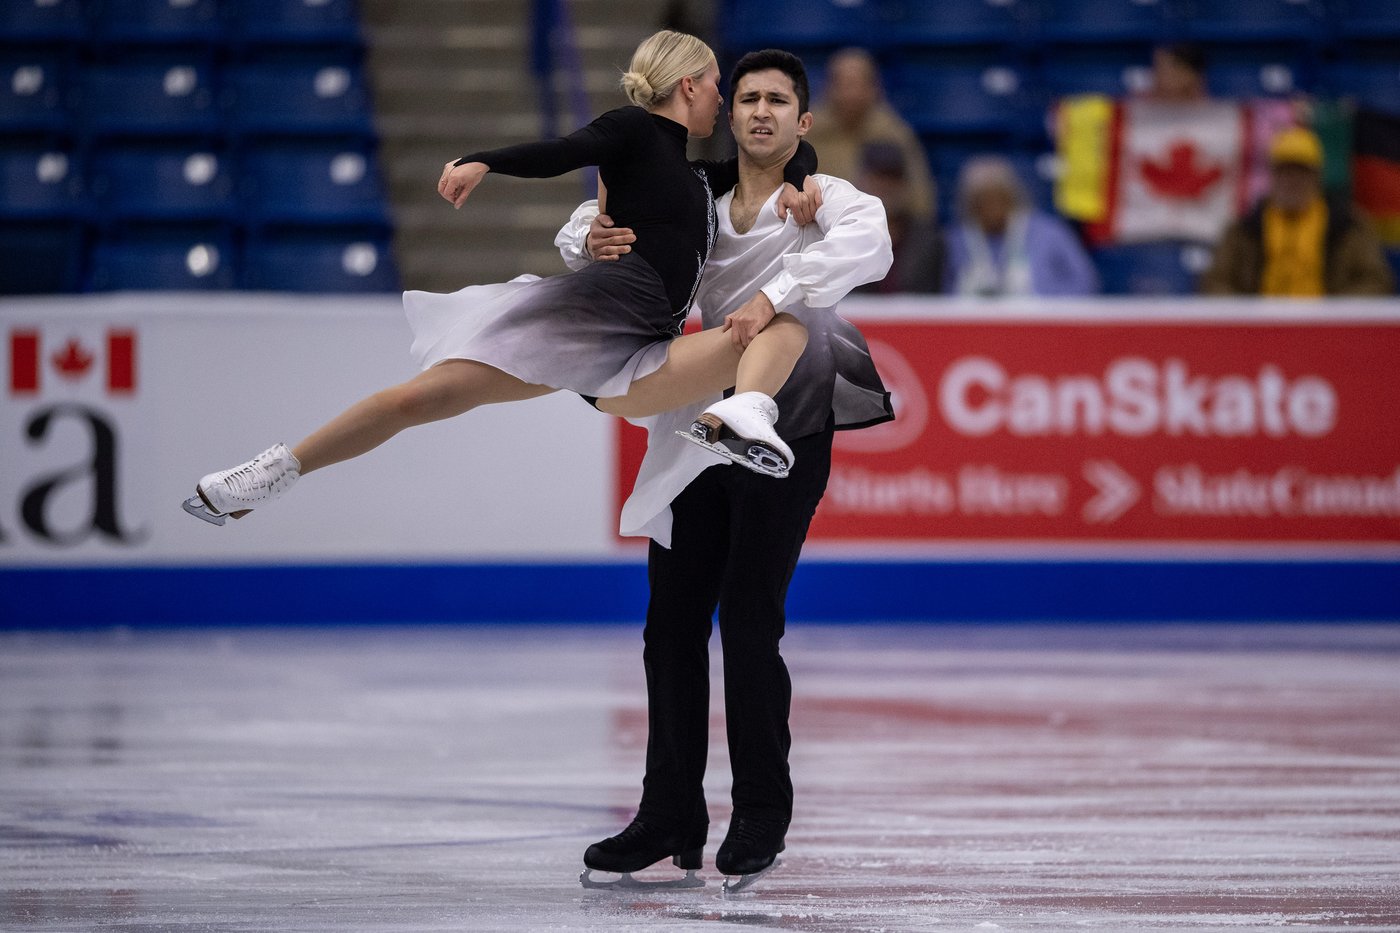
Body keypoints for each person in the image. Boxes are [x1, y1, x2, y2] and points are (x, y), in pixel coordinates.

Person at [181, 31, 823, 526]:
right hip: (586, 321)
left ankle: (739, 419)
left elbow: (791, 150)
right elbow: (562, 152)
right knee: (420, 400)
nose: (723, 98)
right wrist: (482, 160)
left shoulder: (697, 177)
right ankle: (274, 471)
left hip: (642, 354)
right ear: (688, 84)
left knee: (778, 328)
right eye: (717, 84)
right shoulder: (632, 131)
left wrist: (800, 180)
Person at [558, 48, 893, 891]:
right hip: (695, 424)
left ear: (804, 122)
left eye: (780, 101)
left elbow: (874, 242)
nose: (762, 112)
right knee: (669, 623)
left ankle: (759, 815)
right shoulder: (695, 197)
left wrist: (777, 294)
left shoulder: (824, 201)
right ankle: (669, 811)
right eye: (747, 98)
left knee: (749, 619)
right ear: (729, 112)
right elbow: (590, 229)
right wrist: (587, 236)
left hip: (792, 423)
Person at [1200, 126, 1394, 296]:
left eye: (1301, 171)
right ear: (1272, 175)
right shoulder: (1244, 228)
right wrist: (1249, 313)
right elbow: (1216, 282)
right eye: (1285, 171)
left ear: (1317, 176)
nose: (1292, 180)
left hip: (1327, 330)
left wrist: (1334, 312)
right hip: (1260, 329)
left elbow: (1376, 281)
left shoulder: (1349, 226)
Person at [803, 47, 936, 224]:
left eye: (859, 84)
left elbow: (921, 203)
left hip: (882, 231)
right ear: (827, 87)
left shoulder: (895, 135)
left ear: (875, 88)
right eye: (843, 84)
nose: (851, 94)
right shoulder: (806, 134)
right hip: (817, 232)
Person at [943, 155, 1099, 297]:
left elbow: (1085, 281)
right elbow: (943, 292)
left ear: (1011, 197)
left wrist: (1048, 301)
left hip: (1043, 321)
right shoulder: (956, 240)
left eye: (997, 198)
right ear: (971, 205)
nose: (991, 208)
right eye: (983, 201)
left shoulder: (1049, 232)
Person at [853, 141, 943, 293]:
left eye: (894, 178)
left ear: (905, 184)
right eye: (878, 177)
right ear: (862, 181)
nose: (886, 186)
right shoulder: (843, 236)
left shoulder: (928, 240)